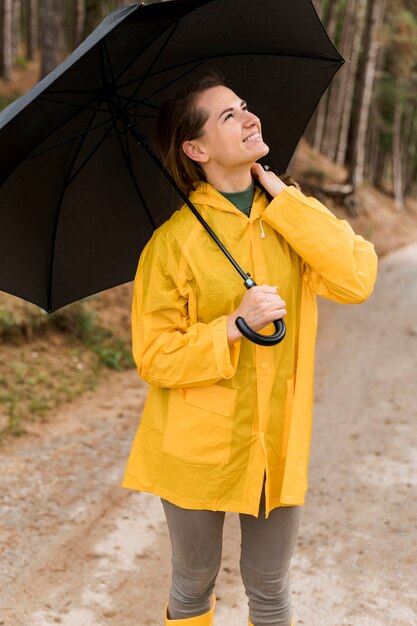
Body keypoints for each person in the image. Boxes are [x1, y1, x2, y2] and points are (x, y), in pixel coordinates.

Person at [122, 74, 378, 626]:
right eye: (228, 116)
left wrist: (287, 201)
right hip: (195, 445)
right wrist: (232, 326)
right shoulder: (172, 243)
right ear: (196, 149)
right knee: (193, 583)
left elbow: (357, 279)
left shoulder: (290, 217)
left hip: (277, 440)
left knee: (269, 587)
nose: (250, 118)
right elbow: (155, 356)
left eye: (245, 106)